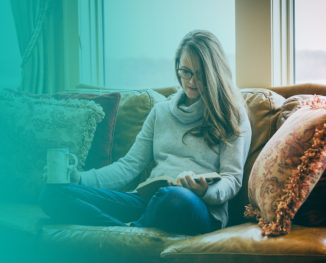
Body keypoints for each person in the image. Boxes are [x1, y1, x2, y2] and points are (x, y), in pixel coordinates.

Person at [39, 30, 252, 235]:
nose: (191, 82)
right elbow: (128, 166)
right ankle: (128, 233)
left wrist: (204, 191)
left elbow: (231, 179)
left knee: (174, 197)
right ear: (177, 67)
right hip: (150, 201)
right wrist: (78, 178)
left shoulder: (232, 114)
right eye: (186, 72)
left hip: (196, 207)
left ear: (214, 73)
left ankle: (129, 231)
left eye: (200, 74)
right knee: (52, 194)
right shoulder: (161, 113)